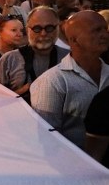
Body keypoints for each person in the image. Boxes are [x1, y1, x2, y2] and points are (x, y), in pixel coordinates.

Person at [31, 11, 109, 148]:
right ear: (74, 39)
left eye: (105, 29)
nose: (105, 35)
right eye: (97, 30)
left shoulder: (107, 72)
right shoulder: (53, 81)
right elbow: (47, 138)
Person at [0, 7, 67, 101]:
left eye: (49, 28)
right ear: (27, 30)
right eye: (37, 28)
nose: (43, 33)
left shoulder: (69, 58)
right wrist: (20, 93)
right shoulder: (9, 59)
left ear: (58, 29)